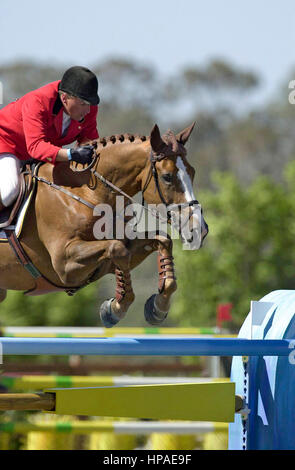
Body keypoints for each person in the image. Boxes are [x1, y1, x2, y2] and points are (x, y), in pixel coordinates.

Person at [0, 66, 100, 212]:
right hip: (7, 143)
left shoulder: (88, 109)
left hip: (37, 153)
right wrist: (71, 154)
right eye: (83, 104)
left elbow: (90, 140)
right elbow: (36, 147)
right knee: (10, 191)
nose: (88, 110)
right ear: (64, 98)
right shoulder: (38, 101)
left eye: (90, 104)